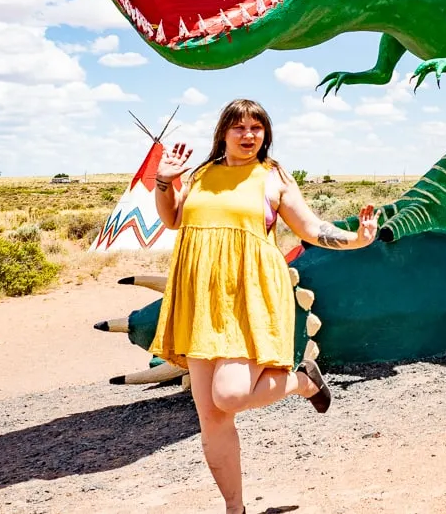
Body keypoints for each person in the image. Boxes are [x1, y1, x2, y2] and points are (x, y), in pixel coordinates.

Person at [152, 98, 378, 514]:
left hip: (250, 293)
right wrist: (164, 182)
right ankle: (235, 508)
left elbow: (310, 228)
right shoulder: (200, 174)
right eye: (239, 127)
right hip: (200, 296)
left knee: (231, 395)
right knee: (213, 418)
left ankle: (303, 381)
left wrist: (357, 239)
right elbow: (172, 220)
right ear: (223, 132)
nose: (248, 135)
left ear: (265, 135)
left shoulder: (273, 177)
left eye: (257, 128)